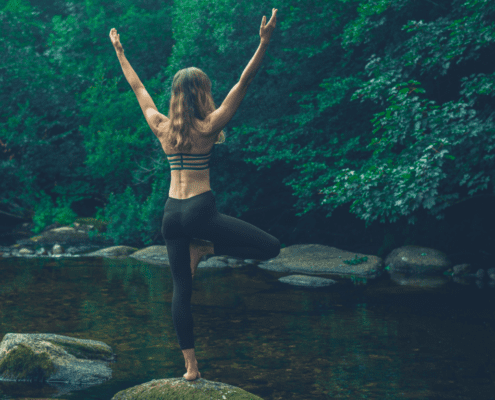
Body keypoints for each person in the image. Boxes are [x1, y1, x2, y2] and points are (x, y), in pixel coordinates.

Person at [159, 9, 280, 381]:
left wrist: (118, 53)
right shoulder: (209, 125)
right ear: (202, 92)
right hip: (199, 211)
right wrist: (263, 43)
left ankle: (191, 368)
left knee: (182, 289)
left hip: (170, 215)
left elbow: (139, 90)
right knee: (271, 247)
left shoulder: (161, 127)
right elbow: (244, 81)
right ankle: (207, 249)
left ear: (176, 96)